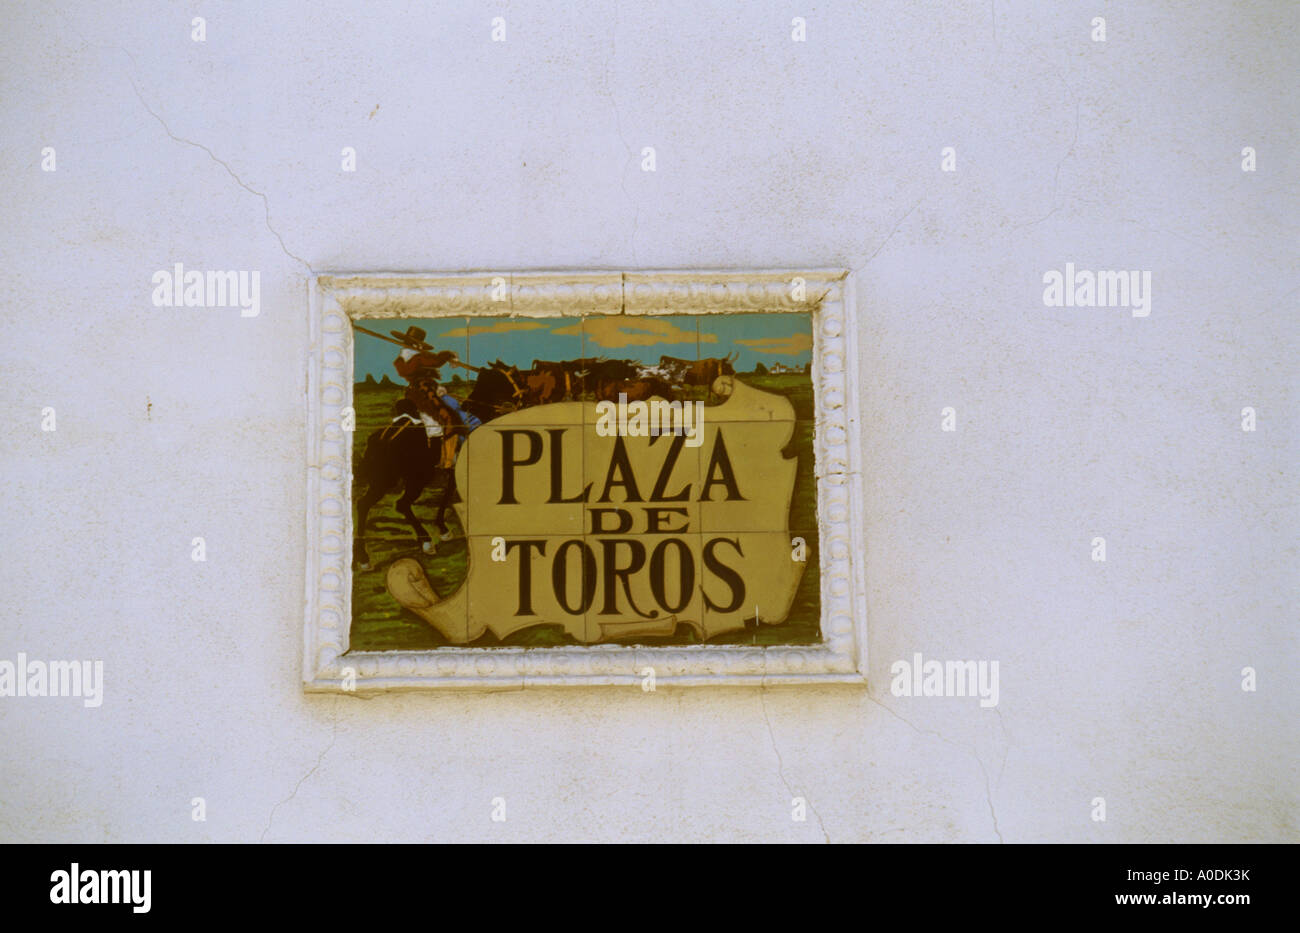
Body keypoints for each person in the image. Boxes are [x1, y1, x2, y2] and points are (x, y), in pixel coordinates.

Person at [390, 325, 458, 439]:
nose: (421, 346)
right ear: (415, 344)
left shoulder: (404, 357)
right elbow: (435, 362)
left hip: (416, 389)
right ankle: (442, 437)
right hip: (423, 390)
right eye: (419, 344)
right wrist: (449, 354)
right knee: (442, 414)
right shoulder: (417, 357)